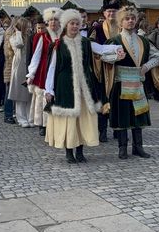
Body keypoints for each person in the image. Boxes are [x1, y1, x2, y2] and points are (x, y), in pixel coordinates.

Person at [44, 9, 123, 163]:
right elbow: (52, 67)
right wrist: (49, 89)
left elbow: (101, 49)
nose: (74, 26)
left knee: (82, 119)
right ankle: (69, 152)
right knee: (69, 120)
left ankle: (80, 151)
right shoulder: (58, 45)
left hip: (84, 86)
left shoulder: (86, 43)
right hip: (65, 85)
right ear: (66, 25)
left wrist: (117, 49)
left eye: (77, 23)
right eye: (72, 23)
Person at [104, 6, 159, 159]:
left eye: (132, 18)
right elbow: (102, 58)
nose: (130, 21)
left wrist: (146, 66)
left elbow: (158, 56)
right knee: (123, 116)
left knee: (138, 116)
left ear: (136, 21)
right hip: (121, 83)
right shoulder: (115, 41)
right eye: (126, 19)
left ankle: (138, 147)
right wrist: (115, 58)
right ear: (121, 22)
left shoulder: (143, 41)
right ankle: (122, 147)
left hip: (137, 83)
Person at [90, 0, 123, 142]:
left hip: (120, 70)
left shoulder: (122, 28)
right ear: (104, 13)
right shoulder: (97, 28)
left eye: (114, 11)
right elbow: (93, 48)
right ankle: (102, 130)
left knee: (118, 101)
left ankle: (117, 129)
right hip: (102, 70)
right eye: (109, 11)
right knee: (103, 99)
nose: (111, 14)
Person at [27, 8, 61, 136]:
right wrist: (31, 73)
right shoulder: (41, 36)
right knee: (43, 96)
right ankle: (43, 124)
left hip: (59, 69)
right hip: (44, 69)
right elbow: (36, 56)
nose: (53, 22)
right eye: (50, 20)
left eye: (55, 20)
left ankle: (56, 123)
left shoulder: (64, 36)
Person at [8, 17, 32, 127]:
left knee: (29, 93)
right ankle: (21, 119)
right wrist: (18, 33)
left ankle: (29, 118)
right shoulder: (13, 37)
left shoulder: (29, 37)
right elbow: (19, 44)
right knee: (20, 94)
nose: (29, 28)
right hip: (19, 66)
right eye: (27, 26)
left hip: (28, 65)